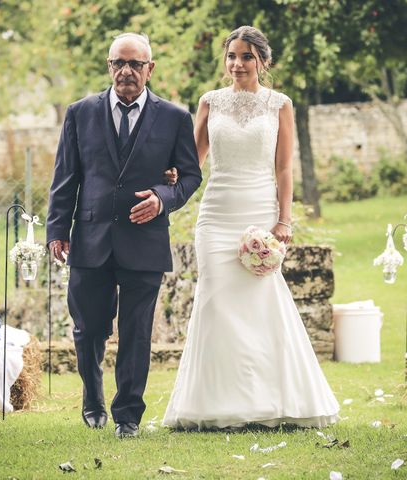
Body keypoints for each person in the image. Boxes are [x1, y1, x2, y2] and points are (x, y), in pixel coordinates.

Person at [162, 26, 339, 429]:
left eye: (245, 57)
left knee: (261, 305)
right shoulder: (211, 102)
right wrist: (170, 176)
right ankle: (212, 404)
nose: (237, 64)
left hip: (260, 213)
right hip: (216, 215)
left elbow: (283, 167)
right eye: (231, 57)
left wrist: (284, 220)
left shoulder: (280, 105)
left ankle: (268, 401)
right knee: (216, 303)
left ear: (263, 60)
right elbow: (194, 160)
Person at [46, 33, 202, 438]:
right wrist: (57, 230)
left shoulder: (174, 117)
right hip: (90, 239)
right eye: (119, 63)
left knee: (136, 333)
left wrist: (163, 198)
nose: (126, 71)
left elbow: (189, 175)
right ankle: (93, 397)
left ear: (150, 69)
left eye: (135, 64)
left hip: (145, 239)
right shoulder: (80, 113)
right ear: (108, 65)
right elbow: (66, 177)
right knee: (88, 328)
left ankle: (128, 415)